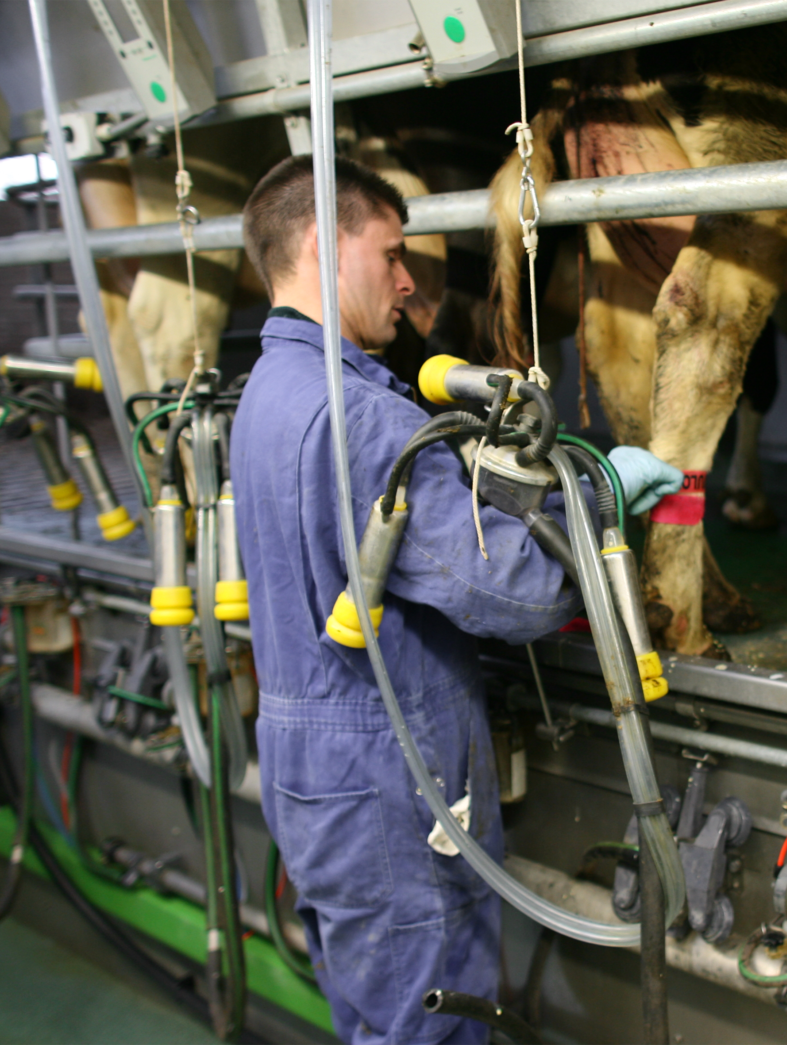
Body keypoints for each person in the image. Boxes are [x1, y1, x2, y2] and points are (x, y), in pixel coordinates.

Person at [229, 155, 682, 1045]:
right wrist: (599, 500)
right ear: (325, 243)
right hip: (387, 790)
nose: (408, 281)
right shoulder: (364, 418)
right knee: (429, 1029)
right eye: (392, 253)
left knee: (374, 1018)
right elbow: (509, 590)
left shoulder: (267, 393)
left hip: (311, 775)